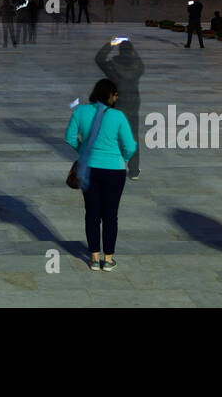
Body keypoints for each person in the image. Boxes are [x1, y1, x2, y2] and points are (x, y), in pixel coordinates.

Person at [65, 75, 138, 270]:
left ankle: (94, 258)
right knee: (110, 215)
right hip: (114, 171)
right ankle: (109, 258)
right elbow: (130, 146)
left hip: (89, 169)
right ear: (112, 96)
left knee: (92, 214)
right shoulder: (118, 116)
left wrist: (84, 151)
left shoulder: (80, 111)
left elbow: (70, 137)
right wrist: (121, 156)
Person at [95, 38, 144, 179]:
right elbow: (138, 59)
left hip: (118, 103)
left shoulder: (113, 67)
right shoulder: (138, 66)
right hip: (133, 104)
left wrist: (111, 43)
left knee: (113, 135)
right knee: (133, 136)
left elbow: (99, 58)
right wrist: (132, 48)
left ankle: (113, 165)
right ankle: (134, 171)